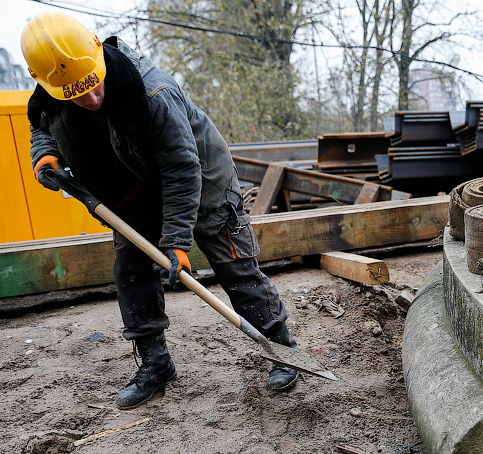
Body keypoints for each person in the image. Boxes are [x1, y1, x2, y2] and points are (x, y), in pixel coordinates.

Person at [21, 13, 302, 409]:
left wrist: (176, 242)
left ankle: (282, 348)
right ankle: (155, 364)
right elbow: (42, 123)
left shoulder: (154, 93)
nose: (93, 99)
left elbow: (183, 169)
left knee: (234, 266)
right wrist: (45, 153)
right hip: (134, 185)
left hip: (202, 179)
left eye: (94, 84)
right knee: (131, 269)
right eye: (77, 94)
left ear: (97, 50)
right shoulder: (54, 88)